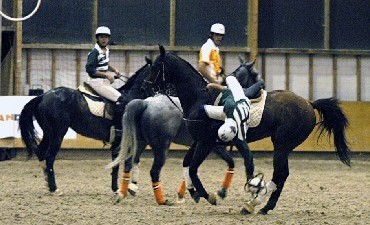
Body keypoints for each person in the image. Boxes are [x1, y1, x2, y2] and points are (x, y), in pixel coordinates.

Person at [85, 26, 127, 147]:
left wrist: (114, 70)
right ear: (97, 39)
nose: (104, 39)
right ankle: (118, 131)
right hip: (96, 82)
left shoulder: (106, 50)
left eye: (106, 37)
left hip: (103, 81)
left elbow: (104, 63)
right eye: (101, 37)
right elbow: (90, 70)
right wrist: (107, 75)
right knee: (121, 100)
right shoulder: (95, 52)